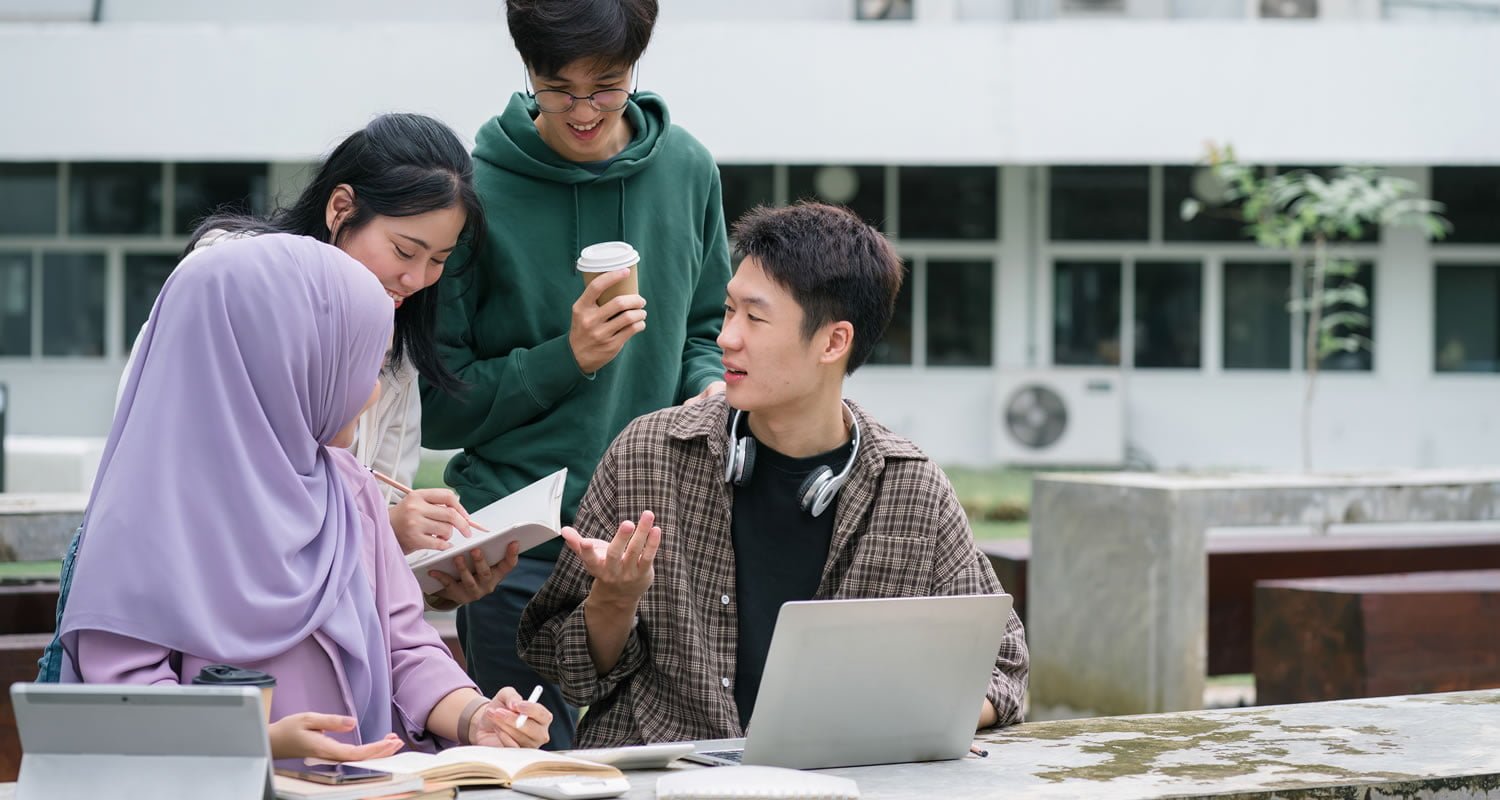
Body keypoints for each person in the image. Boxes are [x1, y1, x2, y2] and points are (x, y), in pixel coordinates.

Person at [517, 203, 1030, 747]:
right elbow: (563, 668)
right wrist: (614, 598)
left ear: (834, 342)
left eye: (754, 318)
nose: (726, 338)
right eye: (728, 310)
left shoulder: (910, 487)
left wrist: (890, 722)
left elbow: (1004, 673)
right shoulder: (648, 453)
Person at [55, 234, 552, 761]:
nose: (375, 391)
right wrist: (260, 745)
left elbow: (404, 647)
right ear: (279, 362)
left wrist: (478, 717)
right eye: (357, 361)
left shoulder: (347, 487)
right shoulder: (142, 519)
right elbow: (123, 706)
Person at [420, 0, 730, 749]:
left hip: (653, 532)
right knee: (527, 765)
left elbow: (704, 328)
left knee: (672, 765)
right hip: (513, 540)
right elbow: (440, 406)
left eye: (608, 85)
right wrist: (570, 357)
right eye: (559, 87)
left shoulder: (686, 168)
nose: (583, 110)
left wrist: (711, 385)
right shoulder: (474, 190)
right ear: (526, 70)